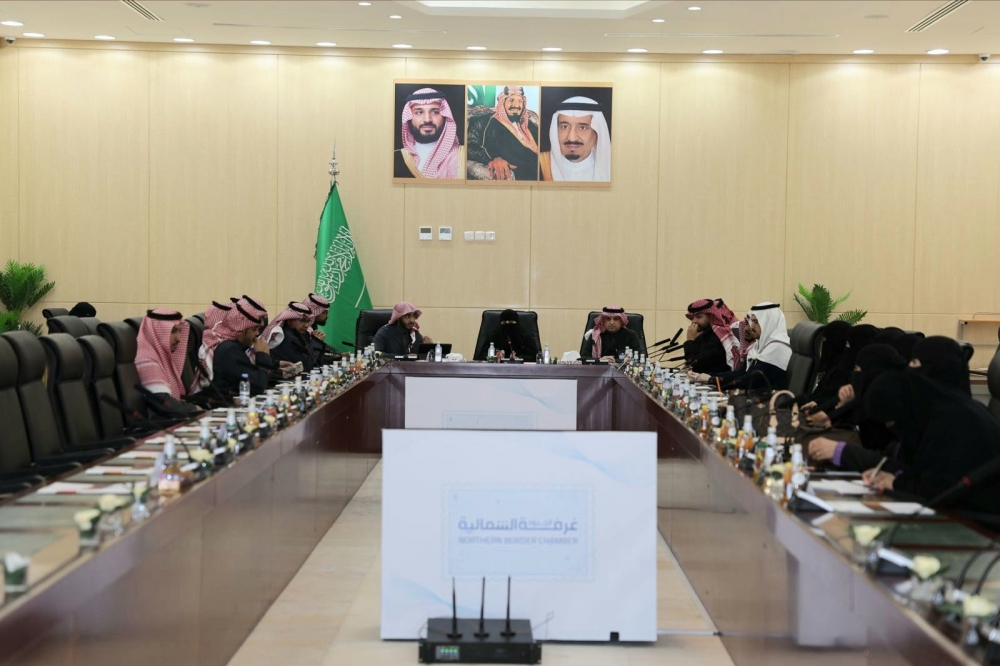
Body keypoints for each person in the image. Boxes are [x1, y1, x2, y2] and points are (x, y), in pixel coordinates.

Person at [862, 369, 1000, 518]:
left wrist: (896, 484)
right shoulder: (937, 409)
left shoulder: (952, 423)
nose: (893, 429)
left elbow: (941, 490)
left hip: (979, 518)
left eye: (891, 422)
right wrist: (890, 476)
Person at [806, 345, 907, 471]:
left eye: (857, 370)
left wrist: (838, 451)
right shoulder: (865, 402)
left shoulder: (885, 411)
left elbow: (876, 456)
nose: (854, 375)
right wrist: (841, 406)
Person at [691, 303, 791, 390]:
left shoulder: (777, 348)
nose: (752, 326)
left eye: (756, 322)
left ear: (769, 323)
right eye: (752, 322)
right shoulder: (759, 345)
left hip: (768, 400)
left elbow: (750, 381)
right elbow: (741, 372)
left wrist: (712, 380)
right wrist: (708, 376)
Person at [467, 86, 539, 181]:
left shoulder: (529, 125)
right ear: (502, 103)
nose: (516, 105)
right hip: (520, 176)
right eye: (511, 100)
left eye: (520, 101)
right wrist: (492, 159)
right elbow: (470, 146)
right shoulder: (484, 122)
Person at [394, 88, 465, 179]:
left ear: (445, 116)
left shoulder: (460, 158)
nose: (427, 119)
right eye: (419, 112)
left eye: (435, 112)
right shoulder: (396, 158)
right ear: (409, 117)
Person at [209, 297, 272, 397]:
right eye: (254, 329)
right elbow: (258, 385)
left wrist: (275, 365)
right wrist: (262, 355)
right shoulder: (229, 350)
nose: (257, 333)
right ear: (241, 330)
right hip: (226, 403)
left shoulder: (235, 347)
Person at [539, 96, 611, 182]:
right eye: (565, 127)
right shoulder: (539, 165)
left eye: (582, 128)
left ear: (596, 133)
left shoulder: (613, 170)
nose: (571, 137)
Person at [135, 309, 196, 399]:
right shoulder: (147, 360)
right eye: (173, 331)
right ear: (156, 332)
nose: (178, 338)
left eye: (180, 331)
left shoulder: (161, 357)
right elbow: (165, 402)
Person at [682, 299, 741, 375]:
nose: (694, 321)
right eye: (693, 317)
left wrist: (689, 340)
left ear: (711, 317)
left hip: (716, 381)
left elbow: (694, 366)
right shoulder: (703, 334)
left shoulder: (718, 338)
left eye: (699, 317)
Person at [263, 301, 316, 372]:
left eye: (307, 321)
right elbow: (307, 364)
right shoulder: (286, 337)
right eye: (302, 320)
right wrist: (316, 341)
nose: (306, 325)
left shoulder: (295, 333)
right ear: (289, 320)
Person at [303, 292, 340, 362]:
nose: (327, 316)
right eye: (324, 312)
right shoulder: (304, 331)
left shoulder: (313, 326)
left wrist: (339, 357)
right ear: (315, 312)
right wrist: (317, 340)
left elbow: (318, 355)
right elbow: (308, 360)